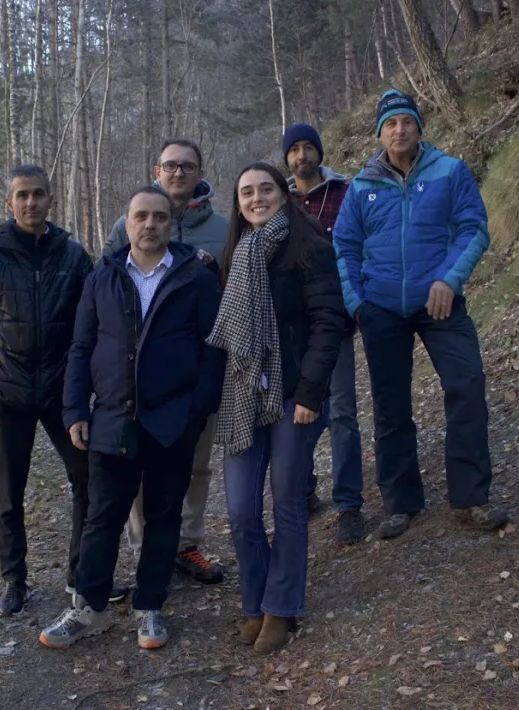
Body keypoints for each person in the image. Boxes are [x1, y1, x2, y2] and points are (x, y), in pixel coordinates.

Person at [40, 186, 224, 650]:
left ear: (170, 223)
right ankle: (88, 608)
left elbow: (213, 349)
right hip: (112, 420)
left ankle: (150, 607)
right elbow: (81, 348)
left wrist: (196, 409)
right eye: (141, 216)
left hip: (172, 421)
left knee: (163, 517)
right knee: (102, 517)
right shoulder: (103, 277)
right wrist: (75, 409)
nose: (150, 225)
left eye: (159, 217)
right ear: (127, 222)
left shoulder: (194, 276)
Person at [332, 90, 509, 541]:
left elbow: (474, 228)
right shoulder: (361, 185)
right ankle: (400, 502)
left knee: (466, 386)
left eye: (406, 121)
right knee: (391, 407)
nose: (399, 130)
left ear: (418, 127)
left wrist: (449, 279)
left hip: (440, 302)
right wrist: (358, 303)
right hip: (382, 308)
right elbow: (345, 247)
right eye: (390, 124)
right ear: (380, 133)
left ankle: (470, 497)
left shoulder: (450, 171)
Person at [0, 165, 127, 617]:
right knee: (10, 490)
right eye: (22, 195)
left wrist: (86, 383)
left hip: (58, 389)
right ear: (9, 203)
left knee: (86, 476)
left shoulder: (71, 255)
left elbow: (92, 322)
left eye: (39, 194)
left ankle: (80, 574)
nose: (31, 203)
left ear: (51, 200)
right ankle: (15, 579)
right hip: (5, 391)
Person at [208, 163, 345, 655]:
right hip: (244, 397)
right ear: (238, 203)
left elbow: (330, 321)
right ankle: (255, 601)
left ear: (283, 195)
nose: (256, 198)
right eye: (246, 192)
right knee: (242, 509)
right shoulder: (237, 255)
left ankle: (282, 608)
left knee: (287, 502)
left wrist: (310, 392)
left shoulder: (310, 250)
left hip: (293, 397)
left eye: (266, 188)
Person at [104, 138, 228, 584]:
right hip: (138, 374)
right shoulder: (129, 225)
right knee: (138, 465)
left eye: (187, 167)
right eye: (170, 166)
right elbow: (109, 288)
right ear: (157, 170)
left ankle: (186, 544)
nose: (178, 174)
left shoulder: (223, 228)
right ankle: (144, 551)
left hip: (195, 370)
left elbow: (233, 295)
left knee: (195, 462)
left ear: (200, 173)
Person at [282, 123, 366, 544]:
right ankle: (304, 488)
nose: (301, 156)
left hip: (336, 323)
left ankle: (349, 503)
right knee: (298, 412)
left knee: (344, 413)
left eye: (307, 148)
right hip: (290, 332)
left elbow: (360, 247)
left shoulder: (345, 193)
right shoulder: (278, 200)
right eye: (294, 150)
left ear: (319, 151)